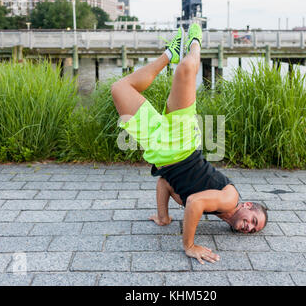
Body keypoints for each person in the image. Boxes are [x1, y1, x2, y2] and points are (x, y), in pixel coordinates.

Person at [111, 23, 268, 265]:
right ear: (247, 205)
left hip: (159, 150)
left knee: (120, 88)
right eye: (253, 220)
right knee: (185, 69)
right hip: (182, 143)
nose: (249, 227)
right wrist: (190, 245)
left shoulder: (208, 202)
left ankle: (169, 53)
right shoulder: (229, 199)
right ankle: (195, 43)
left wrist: (164, 217)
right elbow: (195, 203)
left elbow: (164, 183)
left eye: (253, 229)